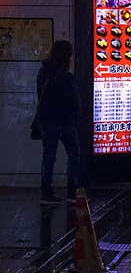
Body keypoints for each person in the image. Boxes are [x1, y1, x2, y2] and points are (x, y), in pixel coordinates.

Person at [36, 40, 81, 204]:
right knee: (74, 154)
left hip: (48, 119)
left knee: (49, 156)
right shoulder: (66, 76)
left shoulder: (44, 71)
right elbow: (73, 99)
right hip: (65, 120)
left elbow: (41, 95)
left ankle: (46, 192)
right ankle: (72, 191)